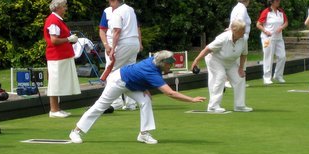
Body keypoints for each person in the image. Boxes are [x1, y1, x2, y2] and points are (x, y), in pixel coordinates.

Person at [69, 51, 206, 144]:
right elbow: (170, 93)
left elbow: (139, 74)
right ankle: (75, 131)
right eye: (169, 64)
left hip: (131, 83)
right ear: (162, 63)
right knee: (100, 106)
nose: (170, 66)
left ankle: (144, 134)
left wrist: (144, 88)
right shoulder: (153, 72)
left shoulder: (154, 60)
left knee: (145, 100)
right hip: (118, 81)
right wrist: (191, 99)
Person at [191, 20, 253, 113]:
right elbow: (207, 49)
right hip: (215, 60)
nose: (244, 32)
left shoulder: (243, 39)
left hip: (230, 62)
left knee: (240, 78)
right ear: (234, 30)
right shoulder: (223, 38)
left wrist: (241, 68)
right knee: (221, 76)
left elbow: (244, 54)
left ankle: (239, 106)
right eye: (242, 30)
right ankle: (213, 106)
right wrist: (196, 61)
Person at [99, 0, 142, 110]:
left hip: (123, 43)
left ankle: (115, 102)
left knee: (113, 72)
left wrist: (112, 49)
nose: (110, 4)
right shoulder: (130, 9)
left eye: (111, 2)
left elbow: (117, 31)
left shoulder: (117, 12)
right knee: (130, 72)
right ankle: (131, 103)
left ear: (115, 0)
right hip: (134, 43)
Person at [43, 0, 81, 118]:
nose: (65, 8)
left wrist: (70, 40)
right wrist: (68, 39)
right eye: (64, 6)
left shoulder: (58, 20)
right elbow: (54, 40)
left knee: (58, 82)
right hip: (56, 56)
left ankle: (57, 109)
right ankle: (53, 110)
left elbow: (60, 39)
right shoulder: (53, 20)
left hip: (62, 55)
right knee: (54, 82)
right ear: (58, 7)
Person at [256, 0, 288, 85]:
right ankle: (267, 77)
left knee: (282, 56)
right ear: (272, 2)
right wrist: (265, 31)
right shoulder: (266, 12)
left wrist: (281, 27)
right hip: (267, 38)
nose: (279, 2)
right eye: (277, 1)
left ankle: (278, 76)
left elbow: (286, 22)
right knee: (268, 57)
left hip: (279, 38)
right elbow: (258, 24)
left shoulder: (281, 12)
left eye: (279, 1)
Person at [225, 0, 253, 88]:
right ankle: (231, 81)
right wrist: (238, 34)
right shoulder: (242, 9)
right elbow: (239, 22)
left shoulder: (237, 7)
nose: (249, 2)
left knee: (237, 58)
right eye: (248, 0)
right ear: (246, 0)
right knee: (237, 58)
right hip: (240, 36)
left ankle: (236, 80)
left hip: (240, 35)